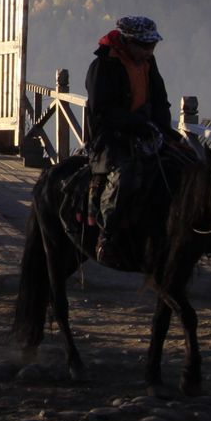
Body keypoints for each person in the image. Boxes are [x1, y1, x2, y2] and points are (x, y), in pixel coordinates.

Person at [83, 15, 172, 265]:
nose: (149, 51)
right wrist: (136, 124)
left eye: (152, 46)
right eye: (144, 46)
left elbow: (160, 100)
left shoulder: (148, 63)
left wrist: (164, 130)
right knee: (127, 175)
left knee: (184, 162)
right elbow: (102, 109)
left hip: (146, 131)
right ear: (127, 42)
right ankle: (107, 236)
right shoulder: (103, 65)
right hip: (111, 136)